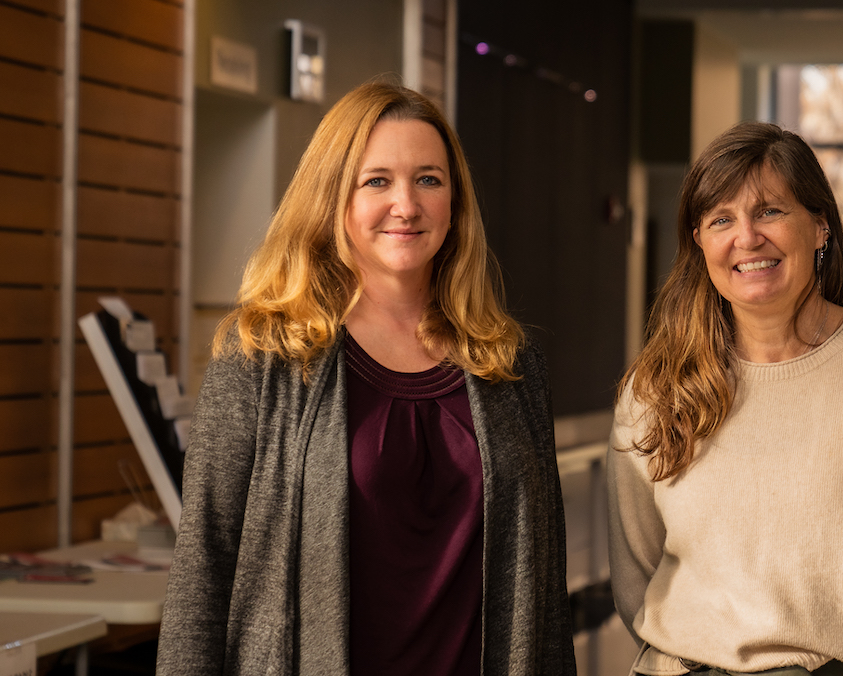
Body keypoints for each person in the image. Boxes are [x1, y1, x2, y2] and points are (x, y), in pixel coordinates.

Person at [157, 80, 576, 676]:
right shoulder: (263, 358)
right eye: (376, 180)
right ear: (334, 197)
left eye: (428, 179)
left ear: (454, 201)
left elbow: (545, 588)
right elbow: (204, 566)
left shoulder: (510, 365)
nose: (406, 205)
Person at [607, 122, 843, 676]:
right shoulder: (655, 388)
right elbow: (637, 575)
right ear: (700, 243)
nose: (747, 238)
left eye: (770, 211)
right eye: (721, 220)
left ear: (819, 228)